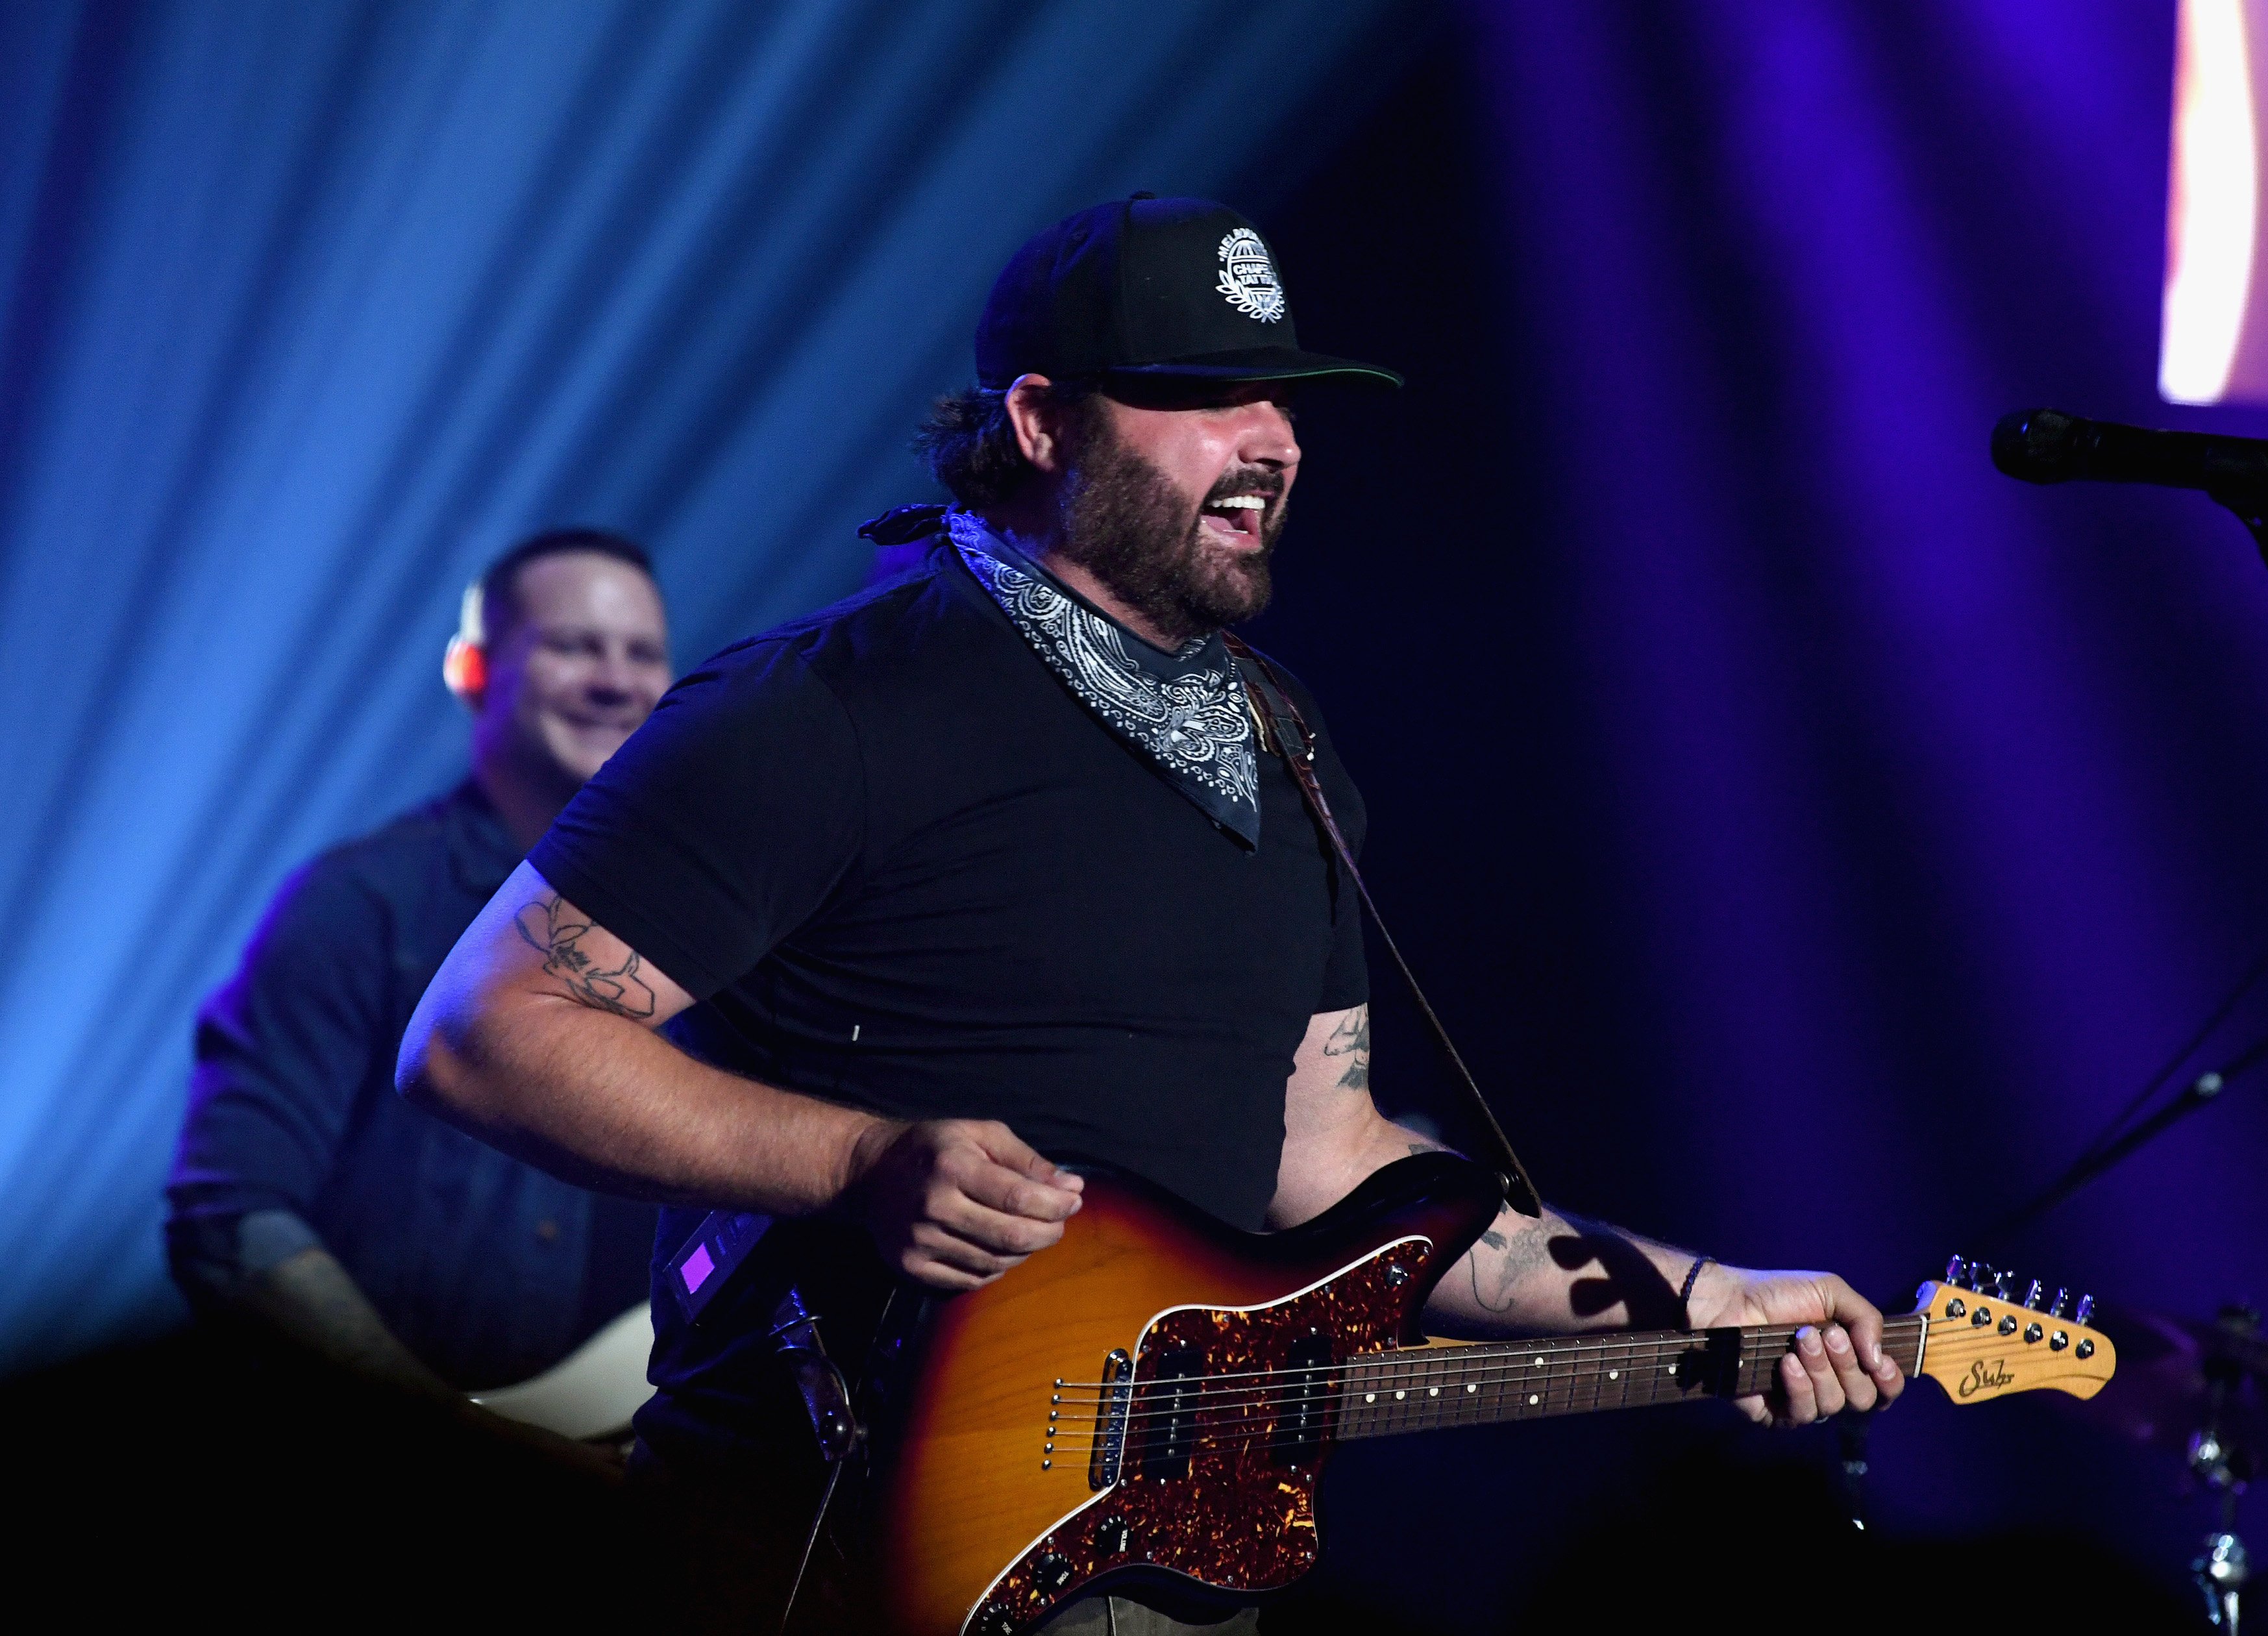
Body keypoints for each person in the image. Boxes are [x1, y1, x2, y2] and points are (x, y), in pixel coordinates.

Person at [398, 198, 1906, 1630]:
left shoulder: (1282, 743)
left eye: (1284, 401)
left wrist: (1713, 1300)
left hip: (1159, 1565)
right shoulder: (828, 707)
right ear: (1043, 422)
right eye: (1203, 396)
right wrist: (852, 1157)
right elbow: (481, 1033)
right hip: (830, 1547)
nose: (1271, 442)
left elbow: (1332, 1163)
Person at [168, 529, 674, 1415]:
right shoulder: (361, 901)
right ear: (471, 672)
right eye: (573, 646)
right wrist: (447, 1438)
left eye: (642, 653)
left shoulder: (703, 913)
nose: (616, 680)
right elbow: (229, 1214)